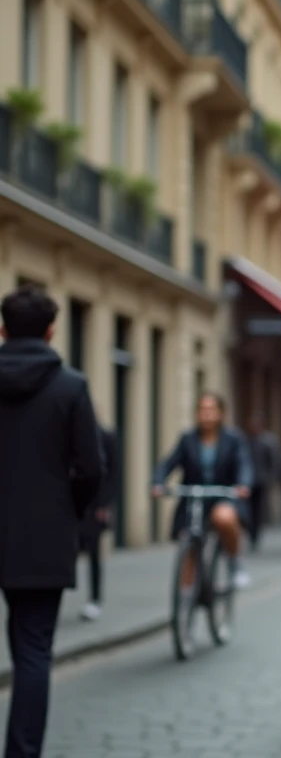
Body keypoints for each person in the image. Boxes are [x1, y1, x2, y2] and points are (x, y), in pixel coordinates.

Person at [0, 285, 104, 758]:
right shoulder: (71, 387)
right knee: (33, 652)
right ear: (51, 331)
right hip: (44, 538)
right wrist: (71, 511)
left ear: (2, 330)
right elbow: (91, 468)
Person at [152, 393, 254, 589]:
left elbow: (244, 464)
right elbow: (168, 463)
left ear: (221, 414)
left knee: (224, 517)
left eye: (211, 410)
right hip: (194, 500)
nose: (206, 415)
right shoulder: (188, 439)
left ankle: (235, 564)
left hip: (222, 496)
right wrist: (158, 482)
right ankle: (185, 601)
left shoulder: (233, 439)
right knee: (187, 540)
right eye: (202, 410)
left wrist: (243, 484)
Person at [78, 425, 122, 622]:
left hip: (96, 507)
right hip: (74, 507)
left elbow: (113, 474)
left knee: (94, 553)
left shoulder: (105, 437)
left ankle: (95, 599)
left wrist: (105, 505)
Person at [245, 414, 281, 552]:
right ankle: (251, 532)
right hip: (248, 481)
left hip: (261, 480)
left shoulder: (267, 441)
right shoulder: (246, 441)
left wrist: (272, 476)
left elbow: (274, 460)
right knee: (249, 509)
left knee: (257, 509)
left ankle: (255, 534)